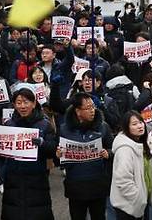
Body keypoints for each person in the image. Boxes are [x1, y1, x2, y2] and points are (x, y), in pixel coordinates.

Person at [0, 87, 58, 220]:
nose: (22, 106)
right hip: (13, 180)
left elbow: (54, 151)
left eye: (26, 102)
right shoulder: (8, 126)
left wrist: (43, 144)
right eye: (19, 102)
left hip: (37, 179)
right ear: (14, 105)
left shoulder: (45, 125)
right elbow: (1, 156)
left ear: (34, 103)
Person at [57, 92, 114, 220]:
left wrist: (108, 153)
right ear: (78, 111)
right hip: (75, 185)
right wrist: (58, 155)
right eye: (88, 108)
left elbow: (113, 149)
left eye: (93, 107)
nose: (92, 111)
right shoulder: (64, 130)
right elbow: (59, 159)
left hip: (98, 184)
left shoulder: (103, 127)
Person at [111, 111, 152, 220]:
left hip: (142, 203)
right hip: (129, 206)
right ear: (127, 128)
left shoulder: (142, 143)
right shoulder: (125, 149)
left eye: (140, 122)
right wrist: (137, 199)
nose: (140, 126)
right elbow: (123, 179)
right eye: (134, 124)